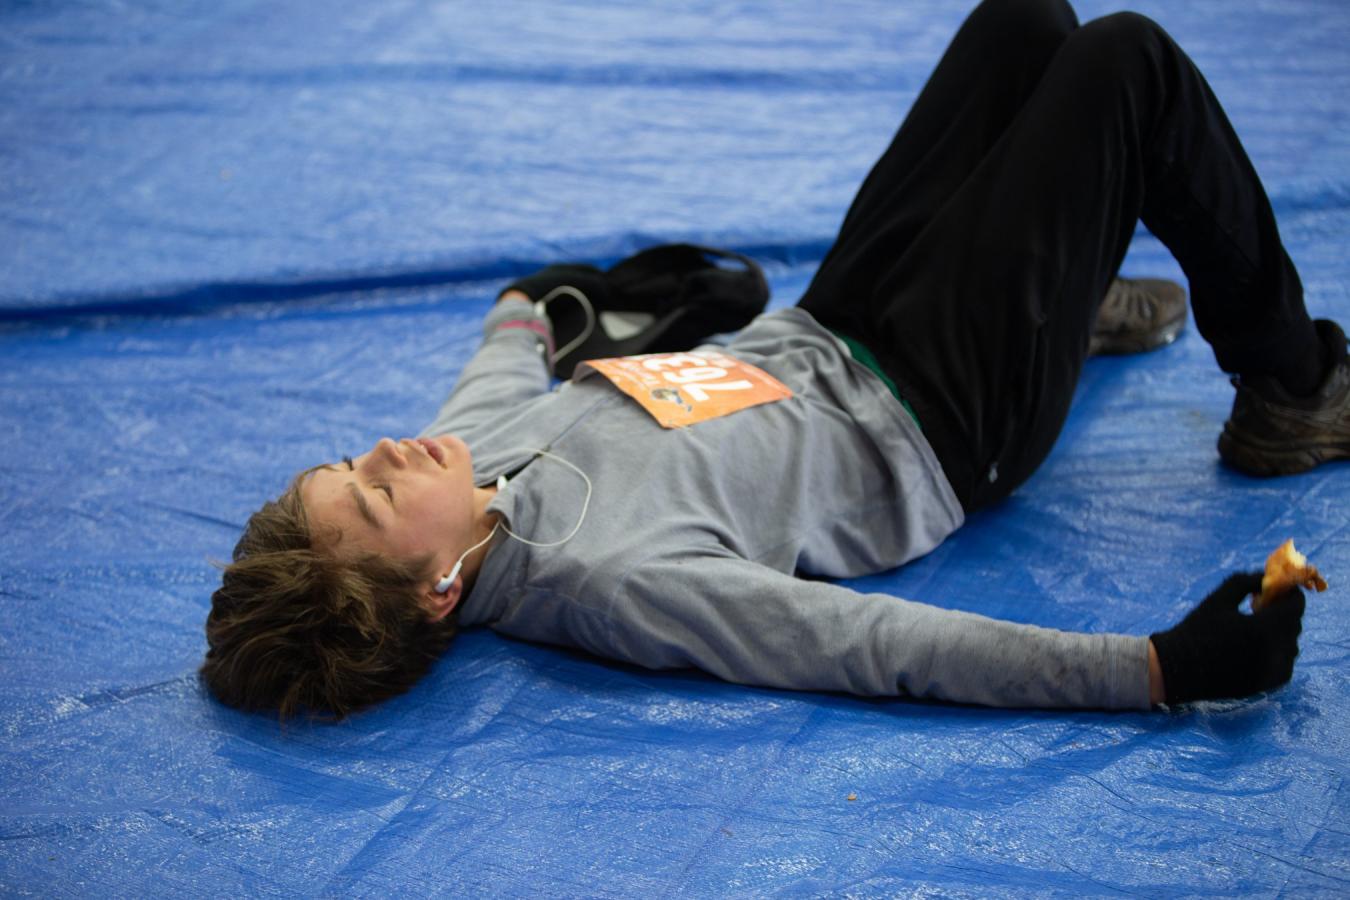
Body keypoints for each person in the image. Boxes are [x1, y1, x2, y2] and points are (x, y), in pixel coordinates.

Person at [202, 0, 1345, 721]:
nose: (385, 452)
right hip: (943, 415)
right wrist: (1152, 668)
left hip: (832, 322)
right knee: (1125, 62)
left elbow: (504, 354)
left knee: (1027, 24)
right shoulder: (611, 581)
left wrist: (537, 303)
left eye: (347, 463)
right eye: (372, 496)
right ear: (440, 590)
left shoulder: (470, 456)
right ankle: (1293, 389)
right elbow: (865, 645)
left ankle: (1061, 293)